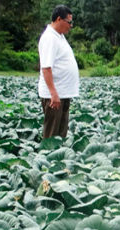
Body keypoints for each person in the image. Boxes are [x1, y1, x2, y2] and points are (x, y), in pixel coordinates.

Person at [37, 5, 79, 139]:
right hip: (54, 95)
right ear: (59, 19)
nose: (71, 25)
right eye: (69, 22)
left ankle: (57, 159)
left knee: (60, 134)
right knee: (51, 135)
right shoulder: (49, 38)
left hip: (63, 93)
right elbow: (46, 68)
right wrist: (53, 94)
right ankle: (47, 157)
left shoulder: (59, 36)